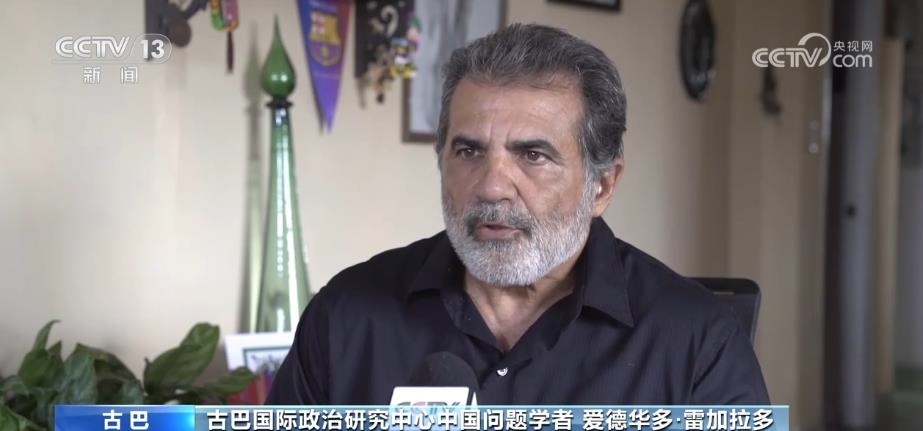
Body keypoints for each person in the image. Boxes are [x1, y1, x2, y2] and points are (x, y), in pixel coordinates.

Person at [266, 23, 769, 405]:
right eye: (468, 151)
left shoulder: (698, 342)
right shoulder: (346, 316)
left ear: (602, 185)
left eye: (533, 155)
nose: (491, 186)